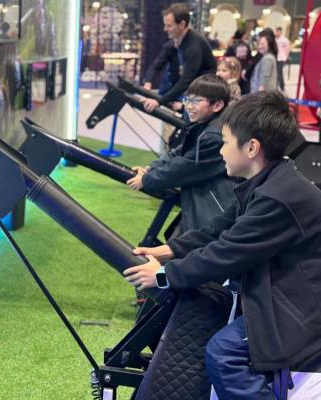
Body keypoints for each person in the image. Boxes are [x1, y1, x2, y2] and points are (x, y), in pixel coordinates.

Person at [124, 91, 321, 399]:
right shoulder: (265, 182)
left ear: (251, 148)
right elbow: (219, 229)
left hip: (301, 308)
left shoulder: (278, 197)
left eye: (226, 142)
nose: (221, 151)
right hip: (281, 290)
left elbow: (227, 253)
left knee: (224, 353)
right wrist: (167, 251)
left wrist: (164, 275)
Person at [127, 74, 236, 233]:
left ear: (217, 105)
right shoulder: (203, 126)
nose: (189, 106)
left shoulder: (214, 136)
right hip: (204, 201)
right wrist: (151, 168)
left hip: (215, 208)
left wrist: (147, 180)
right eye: (187, 100)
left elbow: (185, 167)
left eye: (196, 101)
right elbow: (180, 152)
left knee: (183, 243)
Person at [142, 3, 217, 113]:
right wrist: (148, 83)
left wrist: (160, 101)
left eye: (169, 26)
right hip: (187, 91)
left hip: (200, 95)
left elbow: (187, 79)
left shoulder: (193, 47)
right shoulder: (175, 43)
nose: (165, 29)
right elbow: (156, 65)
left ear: (182, 24)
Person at [275, 27, 291, 91]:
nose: (277, 33)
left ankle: (282, 87)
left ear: (281, 32)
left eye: (278, 31)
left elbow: (288, 49)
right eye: (276, 31)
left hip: (281, 58)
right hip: (276, 58)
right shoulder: (275, 40)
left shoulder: (285, 40)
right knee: (276, 73)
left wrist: (286, 57)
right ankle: (276, 87)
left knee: (279, 73)